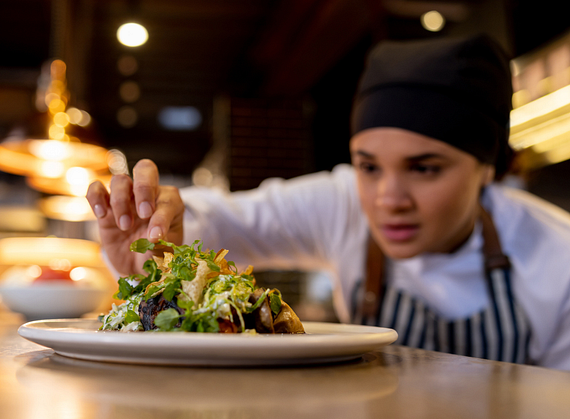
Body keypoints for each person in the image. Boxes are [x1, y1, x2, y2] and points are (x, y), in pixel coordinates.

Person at [86, 35, 570, 370]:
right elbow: (220, 220)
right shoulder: (343, 203)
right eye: (368, 165)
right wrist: (151, 236)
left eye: (425, 168)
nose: (387, 199)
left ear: (489, 167)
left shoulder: (558, 258)